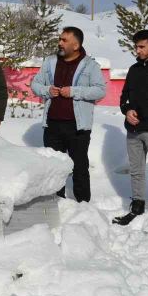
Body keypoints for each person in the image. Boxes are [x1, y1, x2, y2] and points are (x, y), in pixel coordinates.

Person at [31, 26, 106, 203]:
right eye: (60, 39)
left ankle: (83, 205)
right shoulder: (50, 62)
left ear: (76, 45)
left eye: (64, 40)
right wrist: (47, 90)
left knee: (79, 167)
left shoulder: (90, 65)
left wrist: (73, 91)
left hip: (77, 126)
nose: (60, 43)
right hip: (52, 125)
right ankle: (55, 203)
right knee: (53, 167)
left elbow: (100, 91)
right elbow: (35, 84)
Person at [113, 29, 148, 225]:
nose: (137, 50)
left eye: (141, 46)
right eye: (136, 46)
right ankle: (137, 207)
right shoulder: (133, 69)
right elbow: (124, 96)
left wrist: (141, 114)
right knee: (136, 171)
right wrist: (127, 110)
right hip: (133, 130)